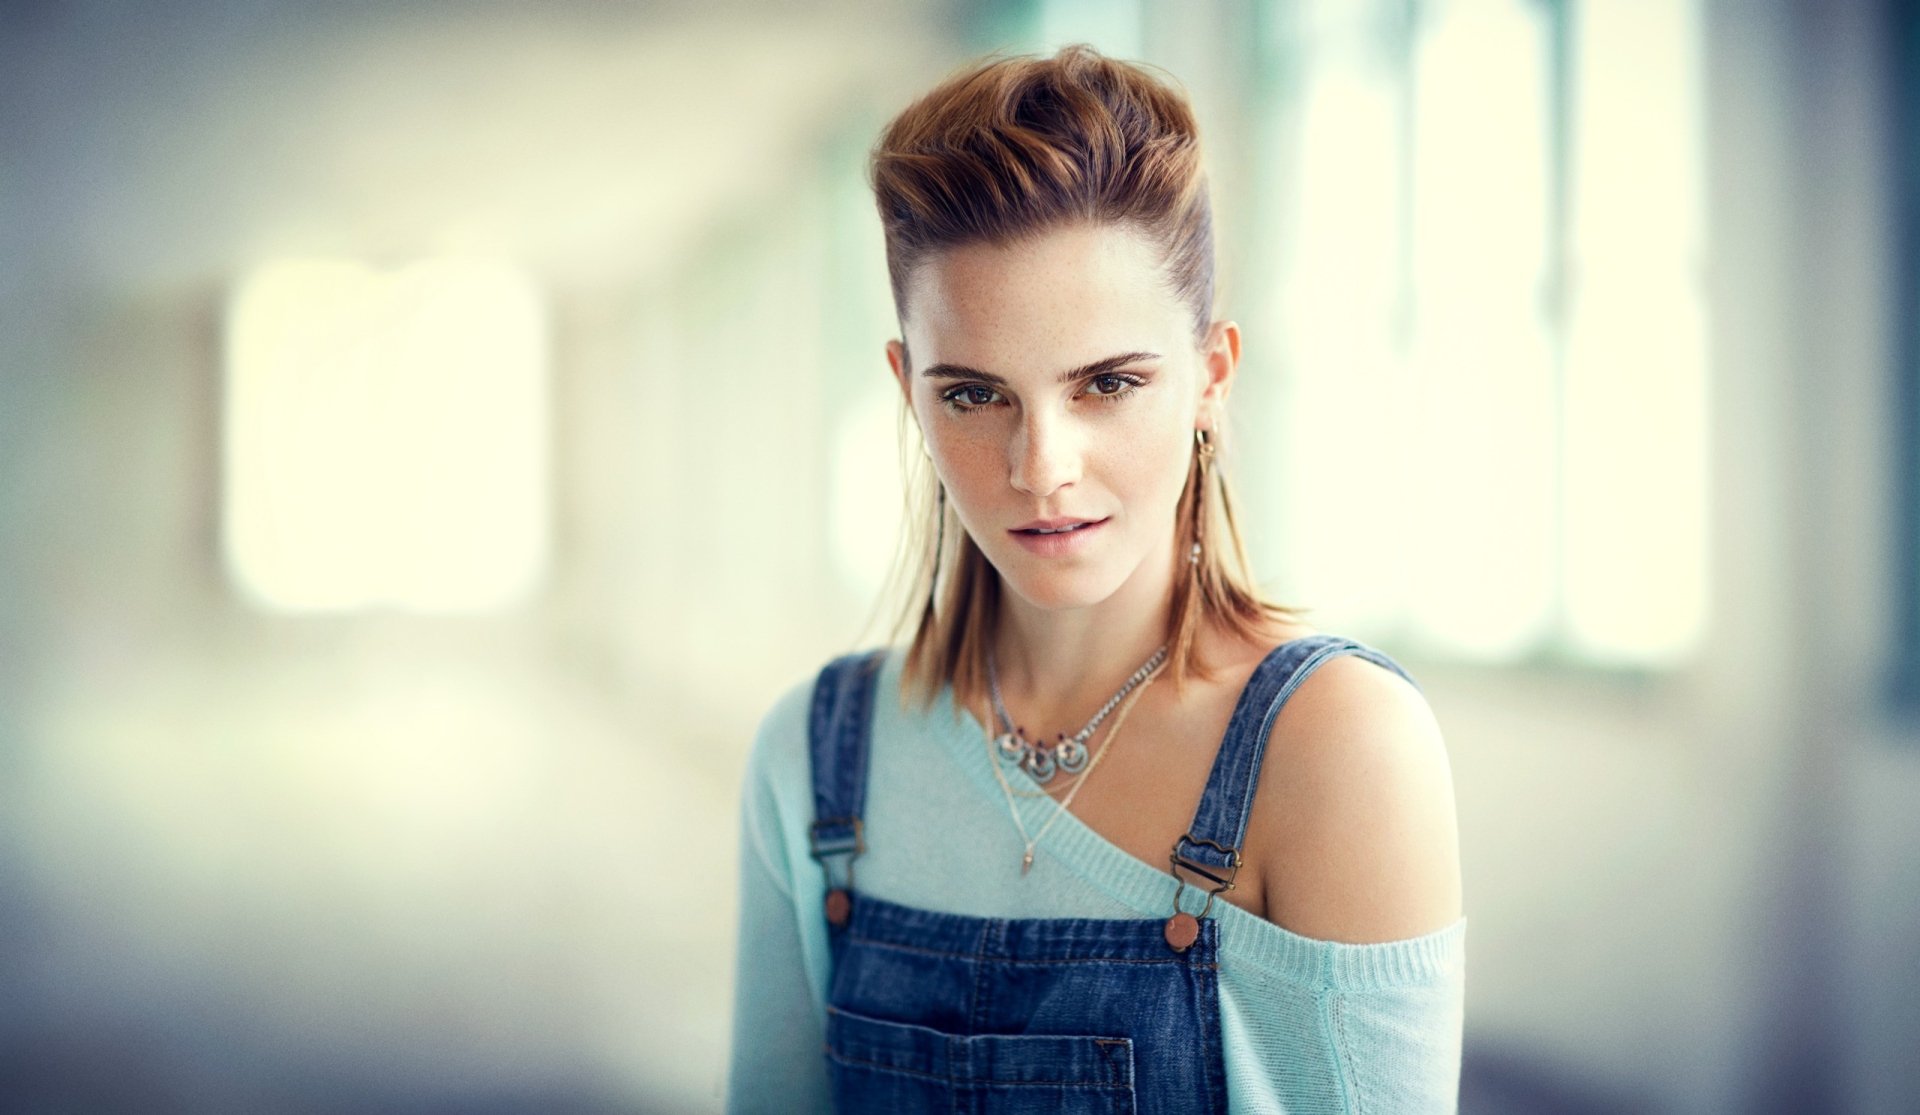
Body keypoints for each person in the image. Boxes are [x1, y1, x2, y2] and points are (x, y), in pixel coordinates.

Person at [725, 43, 1464, 1114]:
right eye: (975, 395)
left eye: (1108, 383)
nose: (1042, 467)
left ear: (1212, 375)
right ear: (907, 388)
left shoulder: (1338, 747)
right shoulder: (813, 759)